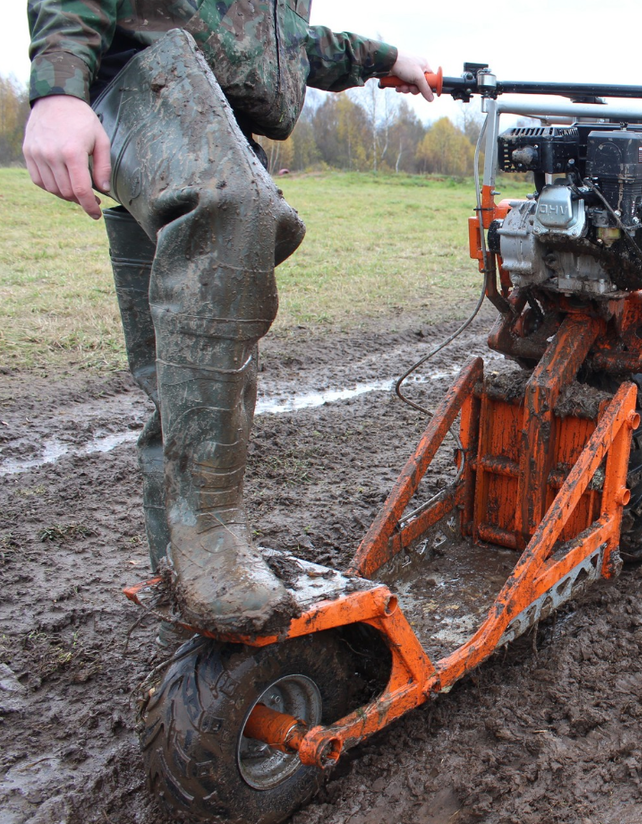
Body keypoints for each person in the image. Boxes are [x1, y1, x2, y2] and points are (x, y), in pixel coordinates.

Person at [24, 2, 434, 633]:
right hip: (149, 80)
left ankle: (183, 576)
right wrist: (57, 86)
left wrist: (384, 60)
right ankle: (208, 539)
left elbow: (275, 39)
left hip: (210, 113)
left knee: (180, 375)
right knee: (233, 210)